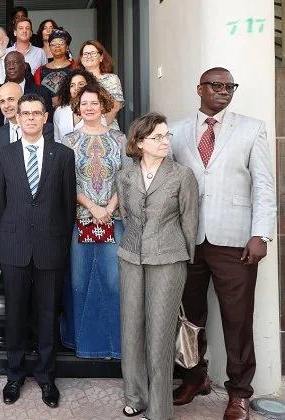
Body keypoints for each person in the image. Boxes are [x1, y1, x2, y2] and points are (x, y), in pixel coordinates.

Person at [171, 67, 276, 420]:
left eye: (230, 86)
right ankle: (194, 377)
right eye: (216, 85)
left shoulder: (251, 128)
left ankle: (239, 393)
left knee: (237, 320)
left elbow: (263, 186)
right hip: (188, 240)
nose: (224, 91)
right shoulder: (177, 131)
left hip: (236, 241)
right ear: (199, 88)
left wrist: (261, 234)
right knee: (190, 317)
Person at [0, 93, 76, 408]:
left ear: (45, 118)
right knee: (14, 314)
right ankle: (14, 375)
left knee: (47, 315)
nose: (29, 118)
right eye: (23, 113)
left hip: (49, 247)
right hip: (15, 247)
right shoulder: (4, 154)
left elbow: (68, 207)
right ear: (17, 118)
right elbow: (0, 204)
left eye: (35, 113)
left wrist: (59, 239)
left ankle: (47, 378)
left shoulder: (63, 155)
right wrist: (5, 236)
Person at [117, 112, 199, 420]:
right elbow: (127, 218)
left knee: (161, 333)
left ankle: (160, 408)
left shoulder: (181, 175)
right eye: (158, 137)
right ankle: (134, 396)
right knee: (132, 328)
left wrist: (182, 258)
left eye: (167, 136)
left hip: (168, 260)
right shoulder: (124, 176)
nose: (165, 141)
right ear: (139, 143)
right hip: (131, 258)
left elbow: (189, 222)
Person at [60, 83, 128, 360]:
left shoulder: (120, 140)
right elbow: (64, 182)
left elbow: (126, 177)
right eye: (84, 103)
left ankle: (114, 345)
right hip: (81, 220)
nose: (89, 108)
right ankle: (84, 344)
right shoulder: (67, 141)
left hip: (114, 218)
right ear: (78, 107)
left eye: (94, 103)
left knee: (114, 282)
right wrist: (92, 206)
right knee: (80, 280)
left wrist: (108, 207)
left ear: (103, 105)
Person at [0, 82, 55, 183]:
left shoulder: (45, 129)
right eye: (2, 101)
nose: (6, 106)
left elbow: (48, 168)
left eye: (11, 99)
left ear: (22, 100)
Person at [78, 40, 124, 130]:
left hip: (107, 129)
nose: (89, 56)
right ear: (81, 59)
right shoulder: (76, 81)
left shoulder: (111, 79)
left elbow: (115, 106)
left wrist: (99, 128)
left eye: (93, 53)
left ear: (101, 57)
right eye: (85, 54)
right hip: (81, 130)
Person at [4, 51, 53, 120]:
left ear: (24, 66)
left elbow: (48, 123)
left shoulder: (42, 93)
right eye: (7, 64)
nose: (11, 67)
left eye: (15, 63)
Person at [53, 69, 99, 142]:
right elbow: (56, 138)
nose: (76, 88)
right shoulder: (60, 111)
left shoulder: (96, 109)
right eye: (72, 85)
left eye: (81, 84)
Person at [34, 29, 74, 108]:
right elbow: (36, 95)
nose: (57, 46)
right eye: (53, 44)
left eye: (61, 43)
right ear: (49, 47)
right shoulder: (40, 71)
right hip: (47, 113)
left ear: (67, 47)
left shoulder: (76, 68)